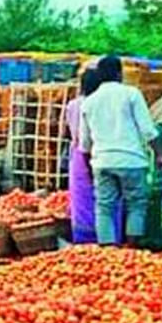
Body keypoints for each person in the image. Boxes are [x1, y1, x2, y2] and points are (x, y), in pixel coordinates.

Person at [80, 56, 162, 247]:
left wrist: (89, 166)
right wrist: (159, 154)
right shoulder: (131, 94)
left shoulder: (89, 101)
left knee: (104, 207)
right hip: (131, 160)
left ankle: (108, 251)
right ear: (120, 73)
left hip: (102, 161)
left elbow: (85, 143)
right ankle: (131, 248)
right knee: (136, 204)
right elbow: (147, 129)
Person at [64, 69, 105, 244]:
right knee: (104, 197)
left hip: (78, 156)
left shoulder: (73, 105)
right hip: (98, 152)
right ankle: (106, 238)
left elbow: (66, 132)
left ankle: (83, 241)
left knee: (81, 199)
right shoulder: (100, 104)